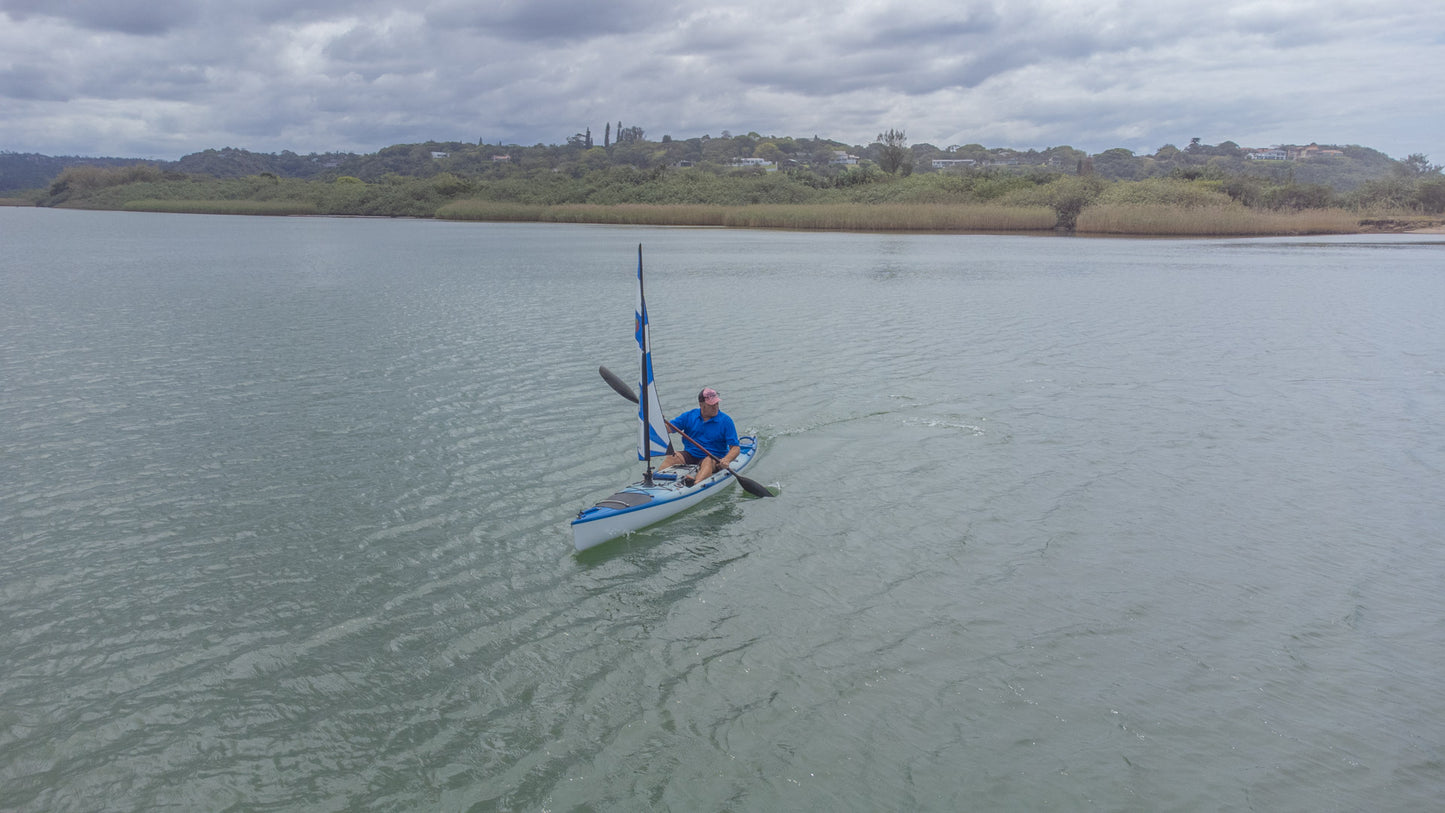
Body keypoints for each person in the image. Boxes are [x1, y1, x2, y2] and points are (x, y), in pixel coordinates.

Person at [661, 387, 740, 486]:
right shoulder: (689, 416)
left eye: (717, 403)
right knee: (673, 456)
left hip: (714, 457)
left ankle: (695, 483)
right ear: (701, 405)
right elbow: (667, 429)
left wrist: (727, 460)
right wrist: (658, 421)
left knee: (707, 461)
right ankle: (656, 479)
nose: (715, 407)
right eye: (711, 405)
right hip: (691, 454)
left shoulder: (726, 421)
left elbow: (735, 448)